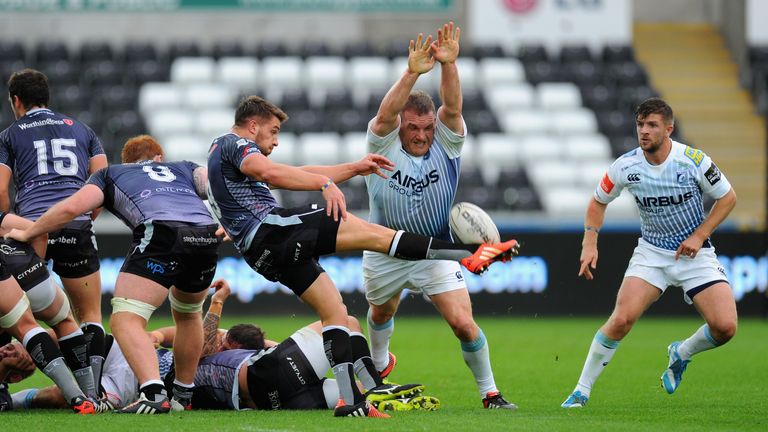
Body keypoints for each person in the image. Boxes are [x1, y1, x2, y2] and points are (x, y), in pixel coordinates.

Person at [206, 94, 518, 417]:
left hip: (262, 252)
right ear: (253, 125)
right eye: (273, 132)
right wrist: (324, 183)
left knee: (336, 312)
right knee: (375, 235)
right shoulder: (234, 143)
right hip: (275, 230)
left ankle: (351, 401)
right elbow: (270, 174)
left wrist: (353, 168)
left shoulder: (217, 153)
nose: (275, 141)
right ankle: (466, 254)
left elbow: (286, 172)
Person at [5, 135, 222, 414]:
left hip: (162, 233)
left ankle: (154, 393)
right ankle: (183, 395)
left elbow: (72, 208)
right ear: (159, 157)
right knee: (189, 314)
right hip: (205, 236)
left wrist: (28, 231)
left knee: (124, 319)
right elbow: (219, 186)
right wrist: (229, 223)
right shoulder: (184, 168)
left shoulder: (111, 174)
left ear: (127, 161)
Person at [361, 22, 516, 410]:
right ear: (401, 127)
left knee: (463, 324)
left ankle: (490, 394)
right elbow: (385, 114)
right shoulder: (382, 140)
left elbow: (454, 108)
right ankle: (380, 368)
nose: (420, 135)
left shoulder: (446, 145)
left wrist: (448, 65)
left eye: (426, 128)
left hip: (436, 252)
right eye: (412, 128)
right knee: (382, 311)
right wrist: (412, 71)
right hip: (385, 249)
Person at [13, 279, 440, 413]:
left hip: (270, 400)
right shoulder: (135, 370)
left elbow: (169, 338)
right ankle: (372, 377)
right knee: (342, 319)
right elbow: (197, 344)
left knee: (348, 381)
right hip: (258, 374)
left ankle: (370, 390)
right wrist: (214, 305)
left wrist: (15, 399)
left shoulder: (136, 352)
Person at [561, 98, 738, 408]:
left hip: (695, 255)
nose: (644, 131)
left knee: (725, 327)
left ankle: (681, 352)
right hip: (652, 254)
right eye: (640, 125)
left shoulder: (693, 160)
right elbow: (597, 202)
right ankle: (581, 390)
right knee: (621, 320)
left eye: (652, 125)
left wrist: (700, 235)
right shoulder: (625, 166)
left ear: (668, 129)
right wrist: (590, 242)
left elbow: (727, 198)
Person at [0, 68, 108, 394]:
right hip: (76, 225)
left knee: (15, 314)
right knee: (88, 314)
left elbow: (1, 189)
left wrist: (7, 219)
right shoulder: (83, 129)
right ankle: (95, 392)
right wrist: (86, 215)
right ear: (47, 97)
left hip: (33, 229)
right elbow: (102, 180)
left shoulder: (9, 134)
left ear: (16, 100)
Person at [0, 212, 100, 403]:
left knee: (24, 327)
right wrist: (36, 266)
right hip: (26, 267)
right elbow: (39, 233)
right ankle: (90, 396)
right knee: (64, 321)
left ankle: (78, 400)